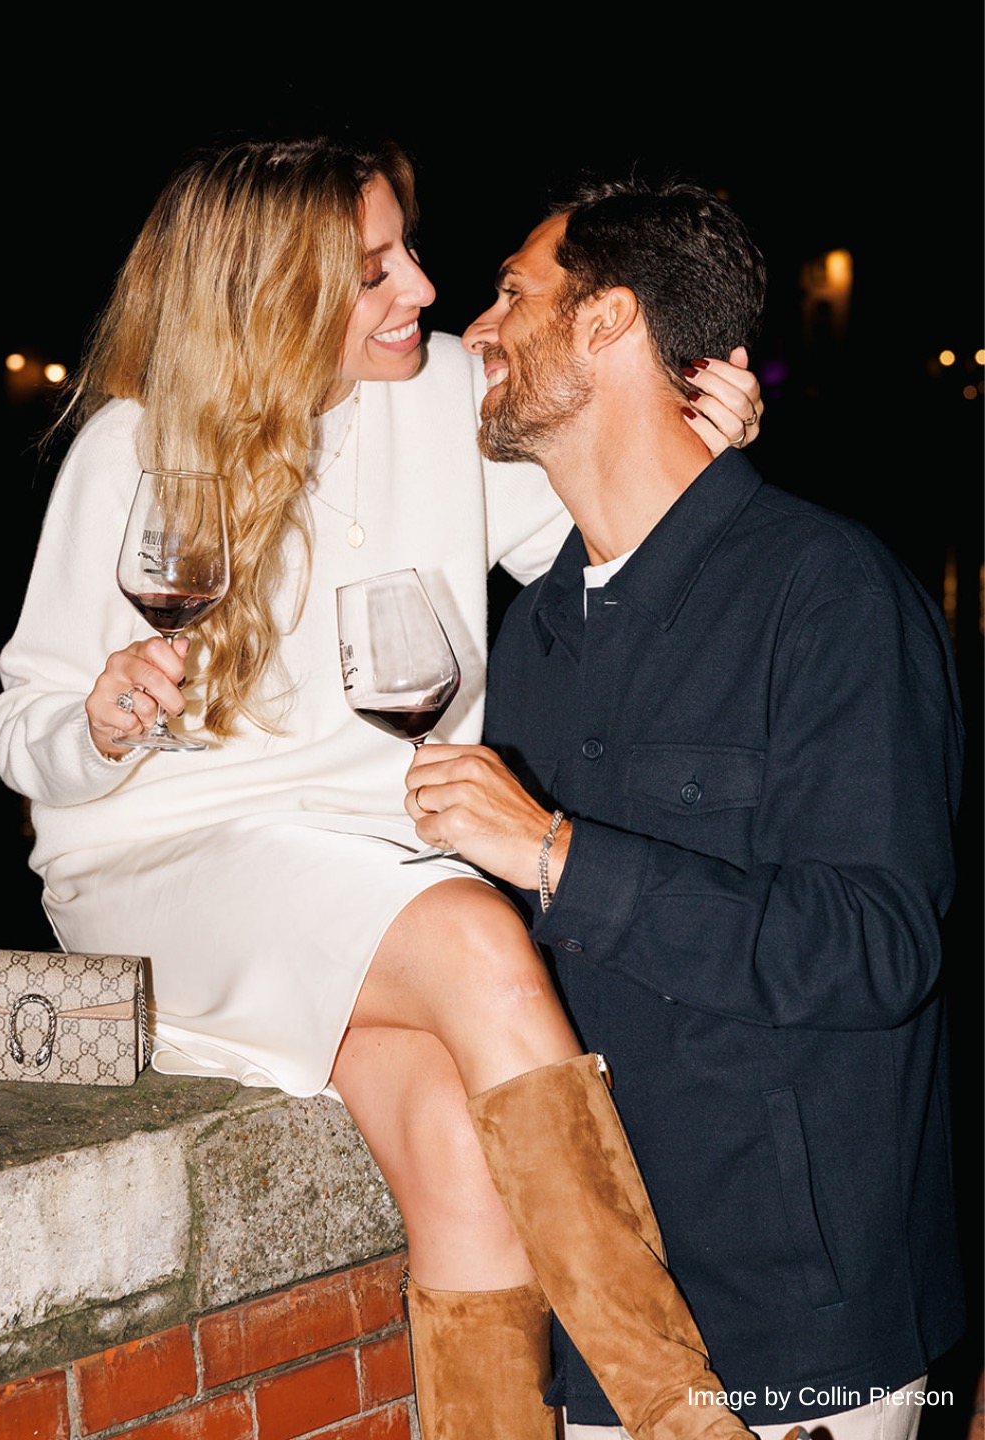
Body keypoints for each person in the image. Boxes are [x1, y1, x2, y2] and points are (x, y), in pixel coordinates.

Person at [0, 137, 767, 1440]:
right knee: (474, 931)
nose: (423, 285)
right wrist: (102, 718)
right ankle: (686, 1421)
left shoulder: (446, 396)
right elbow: (24, 726)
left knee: (460, 1160)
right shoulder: (133, 449)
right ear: (267, 294)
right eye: (372, 270)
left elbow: (612, 550)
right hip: (168, 863)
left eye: (407, 246)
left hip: (376, 866)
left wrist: (699, 465)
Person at [405, 175, 966, 1440]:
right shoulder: (534, 632)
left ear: (608, 324)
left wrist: (556, 854)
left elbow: (877, 947)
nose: (476, 334)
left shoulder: (826, 595)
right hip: (595, 1330)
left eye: (512, 295)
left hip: (793, 1344)